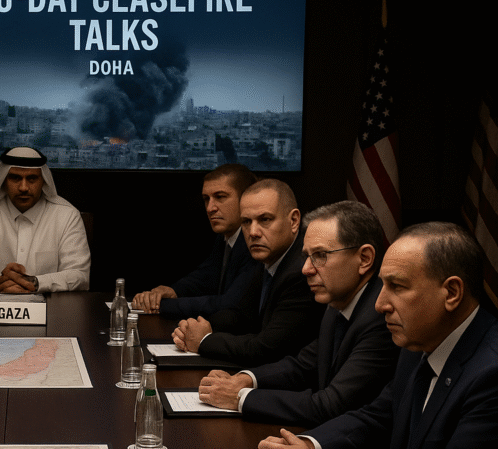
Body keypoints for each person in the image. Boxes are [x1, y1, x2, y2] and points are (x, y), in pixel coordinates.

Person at [250, 222, 498, 449]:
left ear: (452, 293)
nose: (380, 304)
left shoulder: (490, 371)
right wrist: (308, 446)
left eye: (397, 286)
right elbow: (378, 415)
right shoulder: (419, 341)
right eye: (382, 285)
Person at [198, 201, 399, 426]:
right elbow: (303, 365)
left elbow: (330, 406)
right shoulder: (338, 303)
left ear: (364, 259)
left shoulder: (381, 318)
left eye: (320, 255)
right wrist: (245, 380)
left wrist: (239, 397)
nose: (306, 269)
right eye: (306, 256)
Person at [172, 178, 323, 366]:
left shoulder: (301, 271)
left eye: (265, 219)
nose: (253, 232)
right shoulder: (267, 257)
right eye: (246, 222)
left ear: (293, 221)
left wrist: (204, 341)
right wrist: (200, 327)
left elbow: (266, 349)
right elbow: (240, 314)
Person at [0, 146, 90, 293]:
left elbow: (79, 276)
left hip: (52, 311)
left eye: (32, 179)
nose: (23, 187)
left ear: (43, 181)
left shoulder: (67, 216)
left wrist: (36, 283)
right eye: (15, 178)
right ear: (4, 180)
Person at [133, 164, 259, 317]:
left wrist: (161, 305)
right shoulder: (225, 236)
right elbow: (206, 275)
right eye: (206, 199)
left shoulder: (255, 242)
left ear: (246, 199)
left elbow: (229, 304)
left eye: (220, 197)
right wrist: (172, 291)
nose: (210, 208)